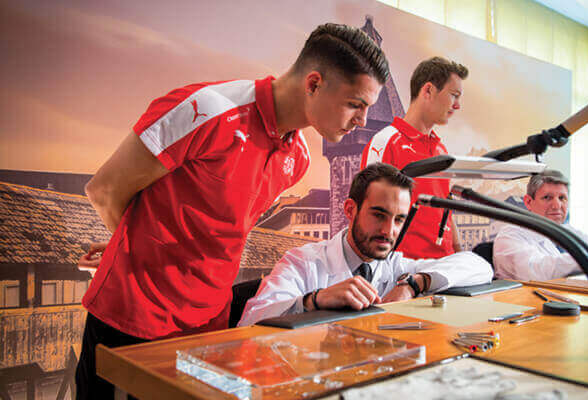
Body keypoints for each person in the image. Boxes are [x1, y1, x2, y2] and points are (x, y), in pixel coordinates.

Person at [75, 23, 389, 399]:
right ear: (314, 84)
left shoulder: (298, 158)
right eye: (356, 104)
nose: (363, 121)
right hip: (134, 319)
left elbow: (217, 227)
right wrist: (129, 246)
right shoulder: (208, 109)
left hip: (210, 323)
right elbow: (106, 189)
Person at [238, 163, 492, 326]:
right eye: (378, 215)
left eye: (398, 219)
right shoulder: (303, 262)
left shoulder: (397, 266)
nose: (388, 231)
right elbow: (248, 322)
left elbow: (480, 267)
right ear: (351, 209)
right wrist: (315, 300)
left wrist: (414, 284)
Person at [360, 56, 468, 259]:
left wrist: (460, 255)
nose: (457, 105)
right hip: (405, 269)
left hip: (444, 266)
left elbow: (446, 210)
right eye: (454, 95)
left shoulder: (441, 150)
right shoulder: (387, 141)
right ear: (428, 90)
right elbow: (366, 210)